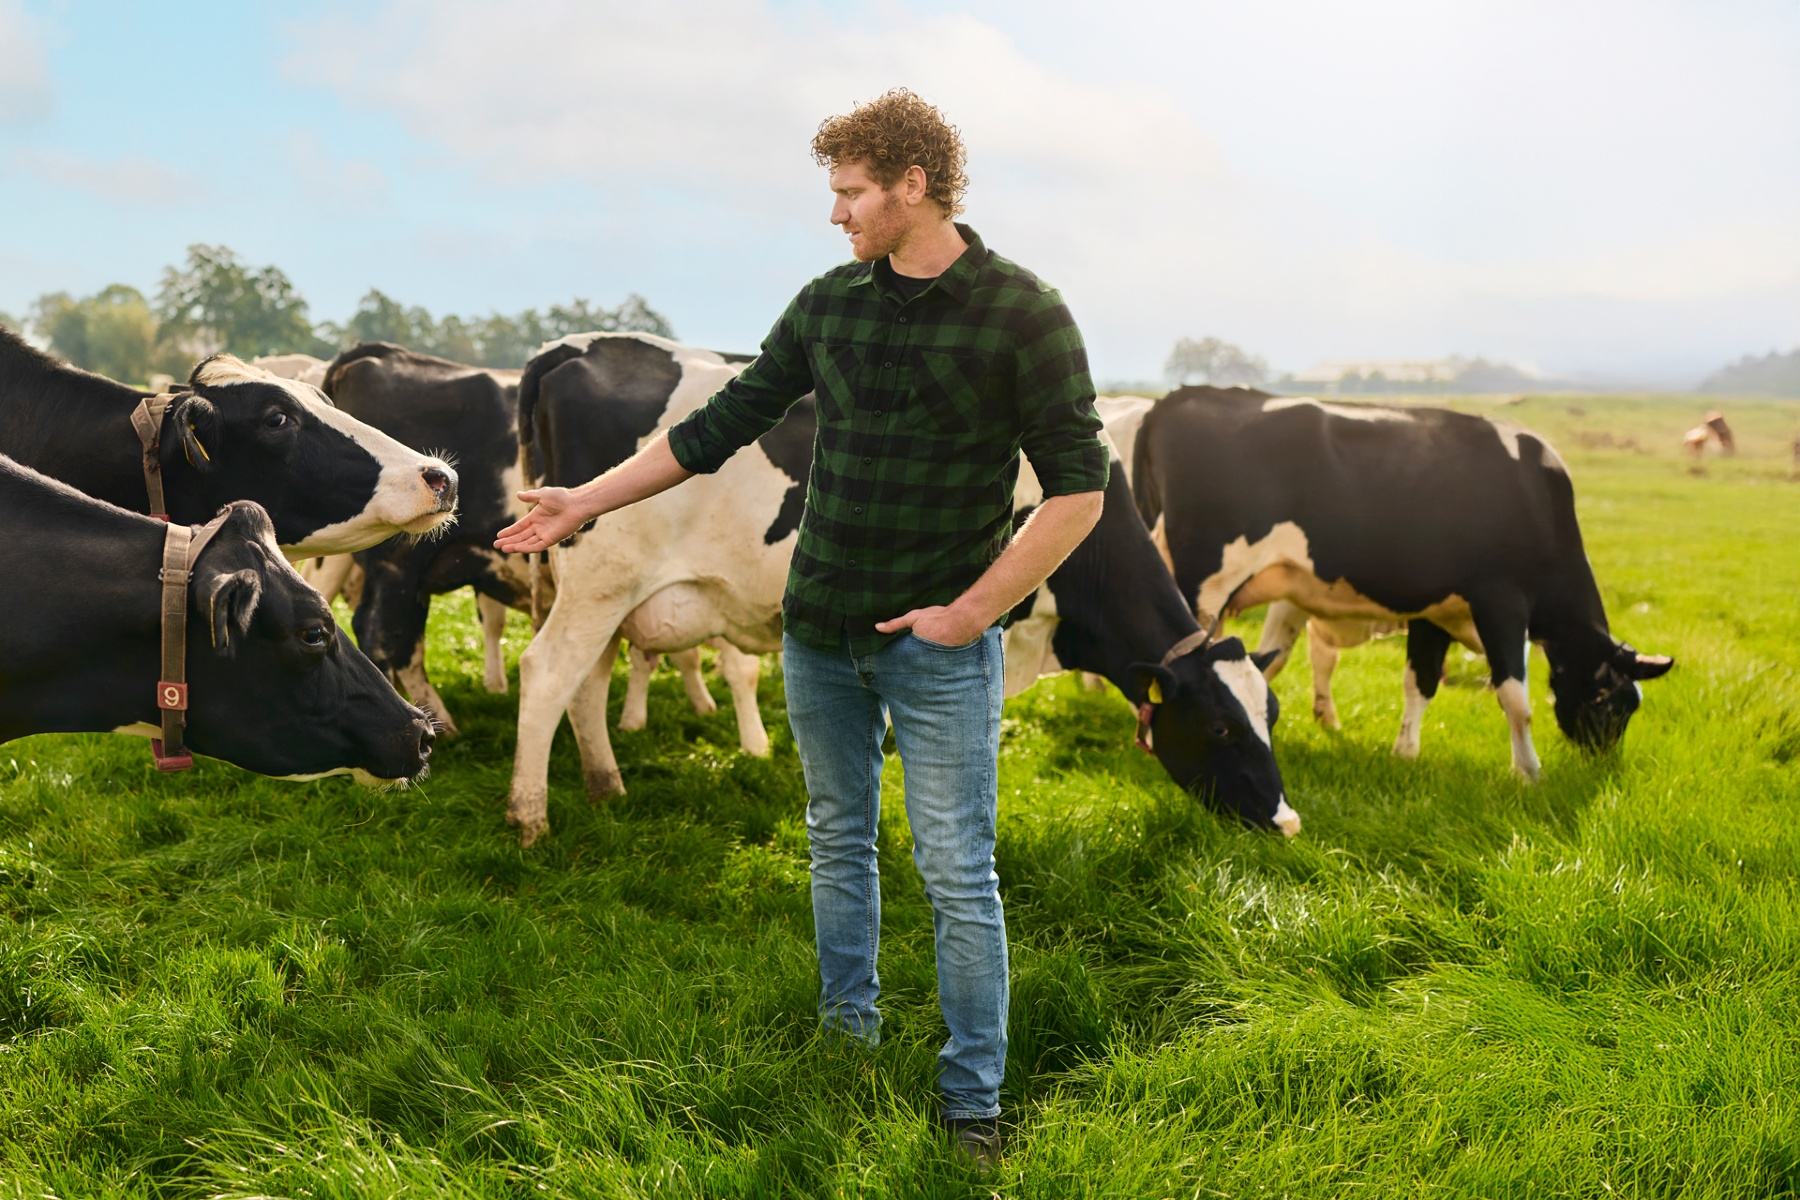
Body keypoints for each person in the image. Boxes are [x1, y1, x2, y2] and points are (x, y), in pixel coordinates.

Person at [494, 88, 1107, 1170]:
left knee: (958, 870)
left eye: (852, 193)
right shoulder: (830, 305)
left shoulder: (1024, 312)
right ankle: (846, 1037)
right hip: (817, 631)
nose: (837, 214)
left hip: (939, 648)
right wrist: (585, 501)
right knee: (836, 841)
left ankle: (971, 1099)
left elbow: (1078, 490)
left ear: (915, 185)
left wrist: (972, 614)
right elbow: (715, 428)